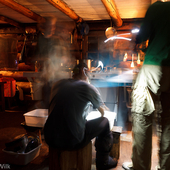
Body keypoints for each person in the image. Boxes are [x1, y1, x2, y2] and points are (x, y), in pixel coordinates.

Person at [122, 1, 170, 170]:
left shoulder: (157, 7)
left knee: (142, 116)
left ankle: (140, 166)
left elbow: (141, 36)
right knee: (169, 123)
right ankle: (166, 166)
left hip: (153, 67)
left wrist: (134, 44)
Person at [43, 62, 118, 170]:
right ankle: (104, 162)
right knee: (105, 122)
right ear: (84, 73)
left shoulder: (57, 84)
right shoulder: (88, 87)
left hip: (49, 137)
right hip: (73, 140)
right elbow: (102, 113)